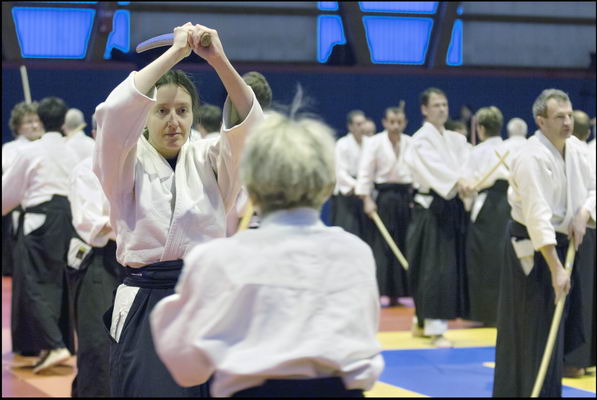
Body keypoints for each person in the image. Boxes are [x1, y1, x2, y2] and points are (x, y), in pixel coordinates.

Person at [150, 96, 384, 398]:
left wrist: (172, 308)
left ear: (251, 185)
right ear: (327, 186)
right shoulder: (355, 252)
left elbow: (187, 368)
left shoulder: (218, 259)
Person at [93, 22, 263, 397]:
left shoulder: (211, 158)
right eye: (162, 111)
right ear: (145, 119)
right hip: (146, 301)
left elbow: (249, 127)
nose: (174, 121)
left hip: (205, 297)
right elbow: (114, 116)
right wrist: (174, 53)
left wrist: (217, 60)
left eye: (182, 110)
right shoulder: (125, 163)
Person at [493, 89, 596, 397]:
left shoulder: (577, 149)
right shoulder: (531, 156)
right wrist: (556, 269)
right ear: (540, 121)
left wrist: (584, 213)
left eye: (569, 115)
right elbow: (538, 217)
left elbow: (594, 188)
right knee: (531, 331)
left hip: (565, 246)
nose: (567, 122)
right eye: (559, 117)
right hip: (533, 251)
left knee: (556, 332)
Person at [2, 96, 78, 372]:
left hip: (40, 218)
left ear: (41, 121)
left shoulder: (31, 152)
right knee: (58, 283)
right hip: (68, 217)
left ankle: (55, 345)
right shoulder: (71, 151)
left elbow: (7, 195)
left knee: (31, 282)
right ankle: (55, 345)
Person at [404, 87, 473, 348]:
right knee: (434, 268)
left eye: (444, 104)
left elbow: (468, 159)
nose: (442, 109)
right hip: (431, 207)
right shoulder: (420, 140)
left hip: (448, 206)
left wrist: (470, 178)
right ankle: (434, 327)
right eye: (436, 105)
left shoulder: (452, 138)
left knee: (436, 266)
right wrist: (458, 180)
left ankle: (421, 323)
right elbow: (438, 169)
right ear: (424, 109)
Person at [67, 128, 124, 397]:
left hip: (140, 261)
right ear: (95, 132)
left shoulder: (142, 163)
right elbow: (91, 224)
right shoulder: (86, 169)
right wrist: (131, 226)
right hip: (101, 260)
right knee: (97, 345)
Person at [356, 106, 412, 307]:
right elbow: (365, 172)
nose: (396, 126)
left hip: (405, 198)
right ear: (385, 122)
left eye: (400, 122)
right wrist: (366, 198)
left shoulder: (410, 143)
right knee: (382, 247)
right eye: (392, 122)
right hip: (384, 199)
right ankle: (380, 292)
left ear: (404, 123)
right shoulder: (374, 143)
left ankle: (400, 292)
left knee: (404, 242)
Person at [463, 106, 509, 326]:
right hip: (509, 206)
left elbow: (468, 186)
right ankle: (503, 311)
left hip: (485, 207)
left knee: (481, 260)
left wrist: (467, 204)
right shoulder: (511, 149)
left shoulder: (477, 151)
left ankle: (483, 313)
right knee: (504, 259)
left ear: (480, 128)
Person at [562, 109, 595, 378]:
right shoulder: (585, 152)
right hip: (588, 228)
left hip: (576, 231)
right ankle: (581, 359)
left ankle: (573, 360)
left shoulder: (576, 153)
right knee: (586, 296)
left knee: (575, 296)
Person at [2, 102, 44, 278]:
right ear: (18, 127)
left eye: (36, 120)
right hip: (19, 211)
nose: (34, 125)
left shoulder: (46, 145)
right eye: (28, 121)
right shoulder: (11, 148)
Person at [331, 110, 373, 243]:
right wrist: (358, 186)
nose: (362, 127)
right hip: (347, 195)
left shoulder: (370, 143)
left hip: (364, 194)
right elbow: (340, 173)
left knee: (366, 236)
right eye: (358, 124)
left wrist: (365, 188)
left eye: (363, 123)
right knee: (347, 234)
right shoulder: (342, 144)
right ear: (350, 127)